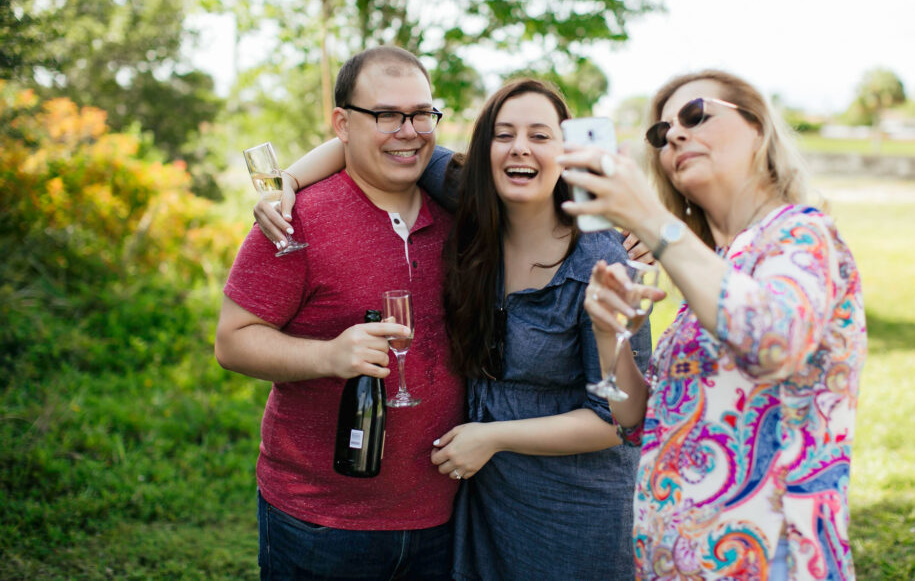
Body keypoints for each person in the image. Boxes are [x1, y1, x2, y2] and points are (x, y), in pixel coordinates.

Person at [256, 78, 652, 580]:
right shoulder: (471, 198)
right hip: (480, 503)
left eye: (540, 135)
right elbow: (372, 144)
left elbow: (619, 419)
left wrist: (492, 438)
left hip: (571, 511)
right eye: (503, 134)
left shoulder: (600, 261)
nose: (520, 148)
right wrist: (286, 183)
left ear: (568, 153)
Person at [558, 69, 867, 580]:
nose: (675, 134)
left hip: (770, 561)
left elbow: (773, 342)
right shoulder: (717, 263)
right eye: (661, 133)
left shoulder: (803, 236)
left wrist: (652, 221)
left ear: (759, 129)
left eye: (696, 115)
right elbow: (637, 418)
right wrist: (607, 333)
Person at [215, 46, 464, 580]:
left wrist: (637, 237)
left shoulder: (459, 212)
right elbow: (233, 341)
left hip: (444, 516)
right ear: (342, 124)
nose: (409, 130)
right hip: (320, 525)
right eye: (386, 115)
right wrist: (329, 355)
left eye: (422, 113)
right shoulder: (293, 218)